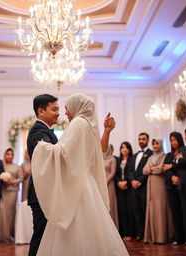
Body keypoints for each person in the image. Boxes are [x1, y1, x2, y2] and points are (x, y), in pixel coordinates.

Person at [31, 93, 129, 256]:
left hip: (78, 185)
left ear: (77, 107)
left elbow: (63, 152)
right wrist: (107, 131)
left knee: (73, 229)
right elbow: (101, 152)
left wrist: (42, 147)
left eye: (67, 108)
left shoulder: (77, 123)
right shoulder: (88, 125)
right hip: (87, 185)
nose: (65, 113)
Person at [27, 94, 59, 256]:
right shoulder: (38, 130)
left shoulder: (45, 130)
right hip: (41, 193)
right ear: (41, 111)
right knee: (40, 236)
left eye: (58, 109)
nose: (58, 113)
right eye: (54, 109)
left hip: (46, 191)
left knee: (46, 237)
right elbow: (48, 153)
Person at [143, 139, 174, 243]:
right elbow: (144, 170)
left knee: (161, 208)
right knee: (152, 209)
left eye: (157, 143)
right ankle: (153, 237)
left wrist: (151, 169)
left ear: (161, 144)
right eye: (153, 144)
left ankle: (162, 237)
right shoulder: (150, 157)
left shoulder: (165, 156)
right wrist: (153, 168)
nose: (155, 146)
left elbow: (161, 169)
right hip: (150, 185)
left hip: (160, 185)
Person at [164, 127, 186, 245]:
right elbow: (166, 167)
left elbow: (183, 162)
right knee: (183, 213)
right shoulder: (180, 151)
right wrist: (172, 176)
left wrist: (176, 162)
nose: (173, 142)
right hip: (180, 185)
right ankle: (184, 238)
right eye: (171, 140)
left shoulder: (183, 150)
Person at [127, 132, 153, 240]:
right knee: (136, 211)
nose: (141, 141)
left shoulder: (151, 153)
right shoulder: (134, 155)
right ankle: (139, 233)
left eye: (143, 139)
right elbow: (130, 170)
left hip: (144, 186)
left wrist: (140, 182)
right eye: (139, 139)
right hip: (134, 188)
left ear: (147, 140)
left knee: (145, 210)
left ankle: (147, 234)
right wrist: (132, 180)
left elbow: (148, 169)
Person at [0, 148, 23, 242]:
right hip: (2, 191)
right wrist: (2, 181)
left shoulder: (17, 167)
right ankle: (0, 235)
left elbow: (21, 178)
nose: (10, 156)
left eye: (11, 154)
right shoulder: (1, 165)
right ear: (4, 155)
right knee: (1, 211)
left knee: (9, 213)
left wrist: (11, 182)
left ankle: (9, 235)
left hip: (12, 192)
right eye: (8, 154)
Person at [115, 141, 135, 241]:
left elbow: (131, 173)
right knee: (122, 210)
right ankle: (124, 233)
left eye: (126, 147)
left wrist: (126, 182)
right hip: (119, 188)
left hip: (129, 188)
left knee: (130, 210)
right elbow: (116, 174)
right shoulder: (117, 160)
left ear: (130, 149)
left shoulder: (132, 159)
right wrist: (119, 182)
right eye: (122, 147)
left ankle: (130, 233)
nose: (124, 149)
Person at [103, 144, 119, 229]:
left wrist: (105, 182)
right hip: (100, 184)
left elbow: (113, 173)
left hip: (109, 184)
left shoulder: (112, 159)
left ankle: (113, 228)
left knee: (110, 204)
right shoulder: (99, 159)